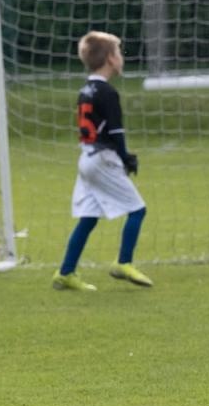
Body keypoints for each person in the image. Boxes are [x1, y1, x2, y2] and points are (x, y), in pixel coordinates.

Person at [52, 31, 152, 291]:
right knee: (138, 210)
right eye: (118, 53)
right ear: (109, 58)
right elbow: (116, 131)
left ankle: (65, 273)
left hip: (86, 157)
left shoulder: (85, 89)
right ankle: (123, 262)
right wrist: (126, 157)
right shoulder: (107, 92)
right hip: (103, 158)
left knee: (88, 218)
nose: (121, 58)